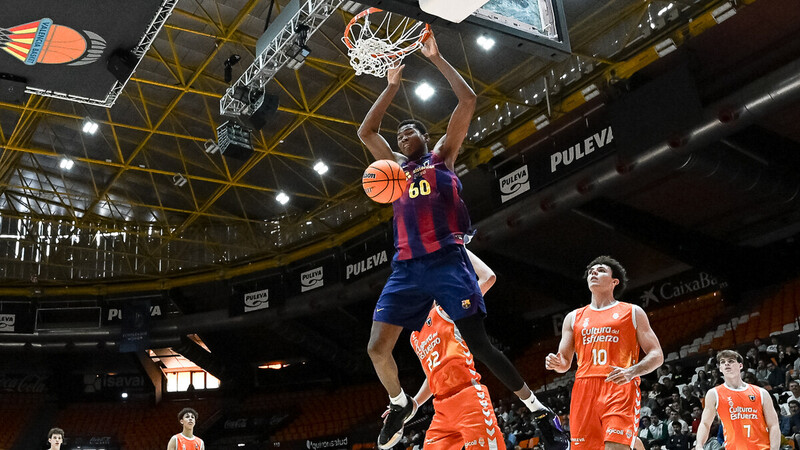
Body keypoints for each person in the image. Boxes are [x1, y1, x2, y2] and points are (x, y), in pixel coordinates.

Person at [357, 31, 567, 450]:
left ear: (424, 136)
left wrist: (436, 58)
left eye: (409, 133)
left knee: (479, 344)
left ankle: (537, 409)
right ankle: (400, 405)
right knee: (377, 348)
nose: (402, 138)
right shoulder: (394, 172)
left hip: (447, 260)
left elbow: (467, 100)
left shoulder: (442, 157)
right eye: (398, 137)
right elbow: (366, 132)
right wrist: (391, 87)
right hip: (406, 267)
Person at [409, 250, 565, 450]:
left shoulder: (446, 310)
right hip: (441, 410)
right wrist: (413, 403)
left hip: (468, 398)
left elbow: (488, 278)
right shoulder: (414, 336)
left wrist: (459, 246)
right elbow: (433, 378)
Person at [545, 256, 664, 449]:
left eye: (600, 270)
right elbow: (564, 362)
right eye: (591, 270)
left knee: (615, 447)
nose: (593, 272)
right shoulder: (573, 317)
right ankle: (635, 443)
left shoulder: (632, 312)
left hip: (618, 383)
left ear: (614, 281)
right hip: (584, 389)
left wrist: (632, 371)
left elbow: (657, 355)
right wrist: (556, 363)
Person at [695, 349, 780, 450]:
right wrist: (699, 445)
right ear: (720, 368)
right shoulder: (714, 394)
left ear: (740, 365)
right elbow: (705, 423)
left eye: (731, 361)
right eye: (723, 362)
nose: (726, 364)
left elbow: (773, 425)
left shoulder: (761, 393)